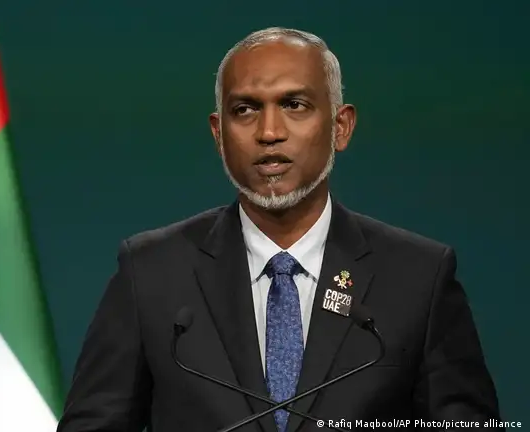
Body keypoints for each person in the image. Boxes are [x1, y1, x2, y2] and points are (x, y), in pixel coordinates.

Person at [56, 27, 502, 432]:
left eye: (294, 105)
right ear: (218, 134)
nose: (269, 132)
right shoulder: (151, 273)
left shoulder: (418, 277)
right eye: (245, 110)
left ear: (341, 126)